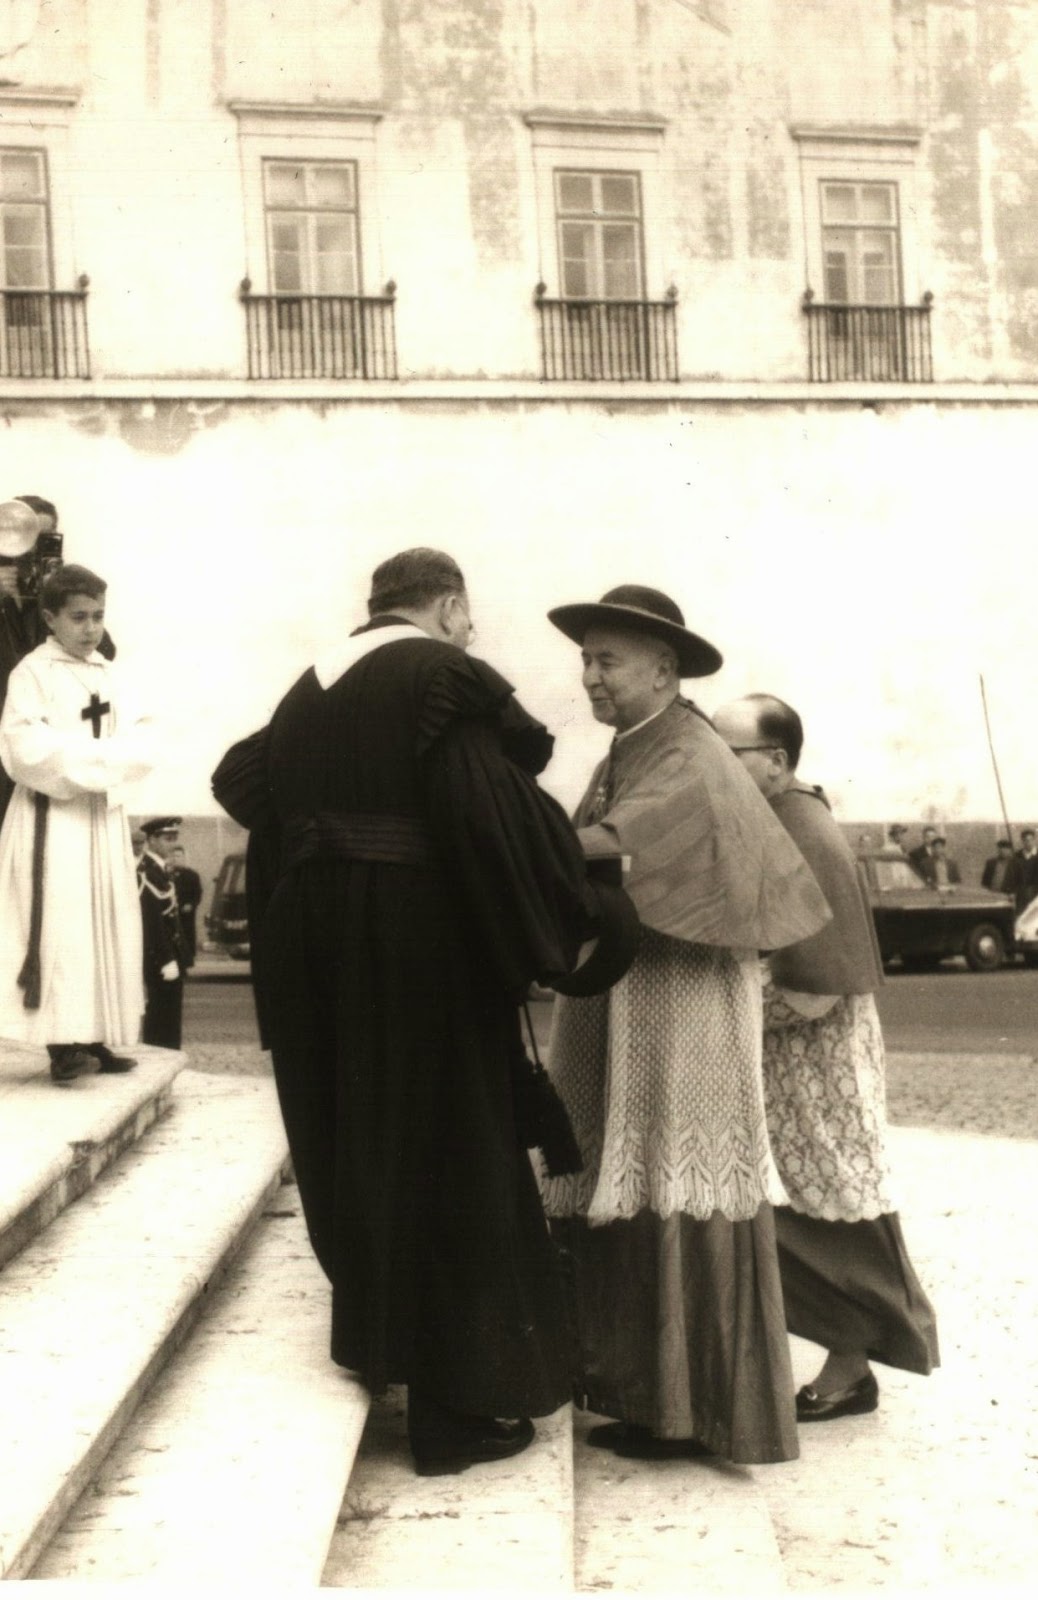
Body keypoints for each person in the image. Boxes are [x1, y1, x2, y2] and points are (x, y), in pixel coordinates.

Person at [212, 548, 613, 1477]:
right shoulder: (439, 672)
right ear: (448, 606)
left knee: (360, 1149)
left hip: (313, 952)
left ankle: (386, 1349)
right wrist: (559, 916)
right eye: (468, 619)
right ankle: (456, 1412)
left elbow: (250, 795)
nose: (472, 635)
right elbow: (486, 813)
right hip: (414, 946)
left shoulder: (308, 688)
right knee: (450, 1151)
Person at [539, 585, 832, 1465]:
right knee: (628, 1164)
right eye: (585, 660)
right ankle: (643, 1393)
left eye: (608, 661)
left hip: (685, 999)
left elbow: (619, 839)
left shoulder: (687, 752)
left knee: (673, 1166)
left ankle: (686, 1408)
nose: (590, 677)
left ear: (663, 669)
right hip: (638, 987)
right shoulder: (634, 744)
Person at [713, 694, 939, 1423]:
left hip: (815, 1063)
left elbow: (816, 987)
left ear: (776, 762)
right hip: (790, 1060)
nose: (715, 763)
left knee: (835, 1209)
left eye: (730, 752)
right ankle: (845, 1360)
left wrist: (723, 1004)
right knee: (803, 1207)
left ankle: (852, 1366)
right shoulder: (779, 816)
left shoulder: (803, 833)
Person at [0, 563, 148, 1083]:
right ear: (49, 618)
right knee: (62, 927)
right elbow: (25, 747)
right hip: (54, 818)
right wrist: (98, 762)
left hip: (100, 819)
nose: (91, 628)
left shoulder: (112, 674)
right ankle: (62, 1044)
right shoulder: (33, 673)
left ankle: (94, 1034)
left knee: (104, 923)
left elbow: (141, 740)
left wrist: (98, 762)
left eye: (98, 616)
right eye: (79, 617)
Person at [137, 816, 185, 1047]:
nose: (173, 844)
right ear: (151, 840)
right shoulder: (146, 873)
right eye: (168, 838)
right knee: (161, 1013)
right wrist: (165, 959)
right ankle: (161, 1056)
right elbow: (151, 921)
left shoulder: (160, 869)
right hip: (160, 957)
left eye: (174, 838)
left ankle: (169, 1054)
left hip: (172, 952)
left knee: (170, 1013)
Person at [167, 844, 203, 967]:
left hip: (186, 913)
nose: (175, 858)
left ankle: (187, 961)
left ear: (183, 857)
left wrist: (191, 905)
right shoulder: (167, 875)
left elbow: (197, 893)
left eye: (178, 856)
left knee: (187, 936)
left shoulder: (192, 875)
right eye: (173, 856)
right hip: (171, 912)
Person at [1014, 828, 1038, 913]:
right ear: (1022, 841)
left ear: (1035, 840)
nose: (1029, 843)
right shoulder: (1016, 856)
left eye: (1031, 840)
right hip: (1021, 895)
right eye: (1026, 840)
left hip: (1036, 894)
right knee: (1021, 916)